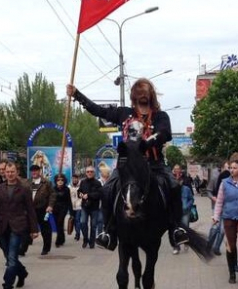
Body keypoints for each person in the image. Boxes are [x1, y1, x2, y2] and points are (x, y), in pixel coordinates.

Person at [67, 79, 188, 250]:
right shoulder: (124, 114)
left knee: (174, 186)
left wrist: (148, 142)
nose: (143, 97)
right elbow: (99, 111)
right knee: (107, 189)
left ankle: (176, 228)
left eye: (145, 93)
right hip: (128, 166)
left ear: (151, 95)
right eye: (139, 93)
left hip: (154, 164)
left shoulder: (161, 116)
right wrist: (77, 95)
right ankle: (109, 231)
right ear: (134, 96)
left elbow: (165, 133)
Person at [0, 162, 39, 289]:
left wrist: (34, 229)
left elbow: (30, 209)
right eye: (7, 172)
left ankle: (8, 284)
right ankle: (22, 273)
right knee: (9, 256)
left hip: (18, 226)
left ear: (17, 172)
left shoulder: (24, 189)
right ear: (4, 172)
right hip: (2, 227)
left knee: (11, 257)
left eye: (12, 171)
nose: (10, 174)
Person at [27, 164, 55, 255]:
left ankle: (46, 248)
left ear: (39, 171)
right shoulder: (28, 182)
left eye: (36, 170)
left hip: (42, 208)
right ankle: (23, 247)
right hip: (30, 209)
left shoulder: (46, 182)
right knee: (27, 228)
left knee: (45, 229)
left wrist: (50, 205)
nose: (34, 172)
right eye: (32, 171)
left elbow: (52, 195)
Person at [78, 166, 102, 249]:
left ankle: (92, 242)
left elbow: (99, 194)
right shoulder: (83, 182)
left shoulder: (97, 183)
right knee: (82, 223)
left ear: (94, 173)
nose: (89, 173)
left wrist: (88, 195)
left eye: (91, 171)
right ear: (86, 173)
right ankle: (85, 239)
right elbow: (79, 191)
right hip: (85, 206)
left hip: (94, 207)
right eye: (88, 171)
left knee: (93, 225)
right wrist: (80, 194)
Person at [173, 172, 195, 255]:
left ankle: (186, 242)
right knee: (175, 230)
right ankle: (176, 247)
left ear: (182, 181)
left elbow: (191, 199)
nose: (178, 182)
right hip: (175, 213)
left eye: (179, 181)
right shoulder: (172, 190)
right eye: (176, 181)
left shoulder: (186, 189)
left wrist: (188, 206)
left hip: (185, 212)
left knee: (185, 229)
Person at [52, 173, 73, 248]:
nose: (60, 181)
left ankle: (58, 241)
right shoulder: (53, 189)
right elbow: (51, 200)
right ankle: (62, 238)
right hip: (55, 209)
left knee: (60, 222)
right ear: (56, 181)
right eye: (58, 180)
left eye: (62, 180)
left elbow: (69, 200)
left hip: (63, 208)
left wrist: (71, 212)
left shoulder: (67, 189)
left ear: (64, 181)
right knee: (58, 225)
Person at [68, 174, 82, 241]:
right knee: (73, 220)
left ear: (78, 179)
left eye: (76, 178)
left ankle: (78, 234)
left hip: (79, 206)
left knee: (77, 220)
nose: (75, 180)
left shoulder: (81, 186)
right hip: (72, 207)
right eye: (73, 178)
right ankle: (76, 232)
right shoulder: (69, 187)